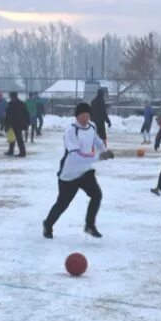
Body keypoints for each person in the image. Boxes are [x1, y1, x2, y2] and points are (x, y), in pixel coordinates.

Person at [43, 102, 115, 240]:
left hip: (86, 172)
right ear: (77, 116)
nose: (85, 118)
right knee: (62, 204)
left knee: (97, 195)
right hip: (70, 174)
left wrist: (105, 151)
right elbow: (76, 157)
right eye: (82, 115)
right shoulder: (71, 131)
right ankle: (48, 224)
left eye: (87, 115)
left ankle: (89, 225)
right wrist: (99, 157)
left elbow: (97, 141)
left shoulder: (92, 126)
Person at [5, 91, 30, 157]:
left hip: (17, 124)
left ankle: (22, 152)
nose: (10, 98)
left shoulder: (16, 104)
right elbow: (8, 114)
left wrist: (27, 122)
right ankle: (12, 151)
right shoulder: (19, 104)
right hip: (15, 123)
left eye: (11, 96)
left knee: (19, 139)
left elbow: (26, 114)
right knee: (12, 138)